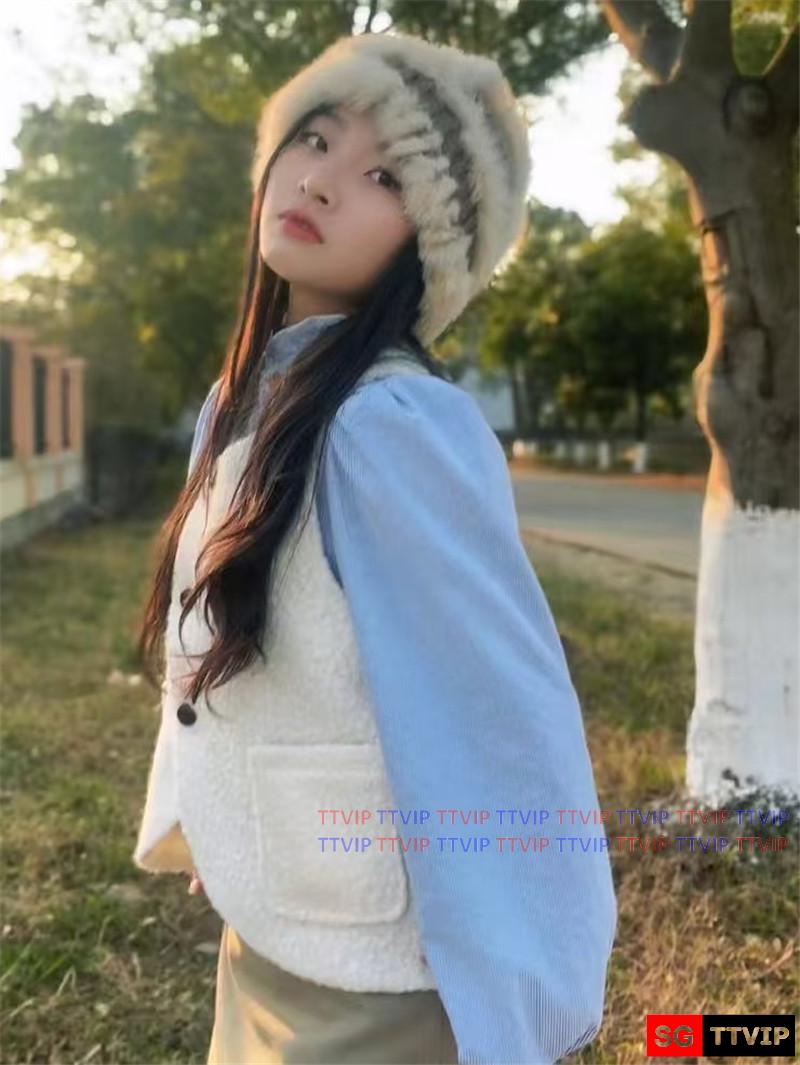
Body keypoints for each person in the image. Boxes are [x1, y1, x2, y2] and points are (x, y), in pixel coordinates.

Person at [132, 30, 617, 1065]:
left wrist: (531, 994)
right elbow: (216, 643)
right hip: (274, 932)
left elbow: (499, 720)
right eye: (314, 138)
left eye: (386, 176)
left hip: (375, 982)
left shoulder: (390, 425)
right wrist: (207, 813)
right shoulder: (242, 399)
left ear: (427, 247)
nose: (320, 180)